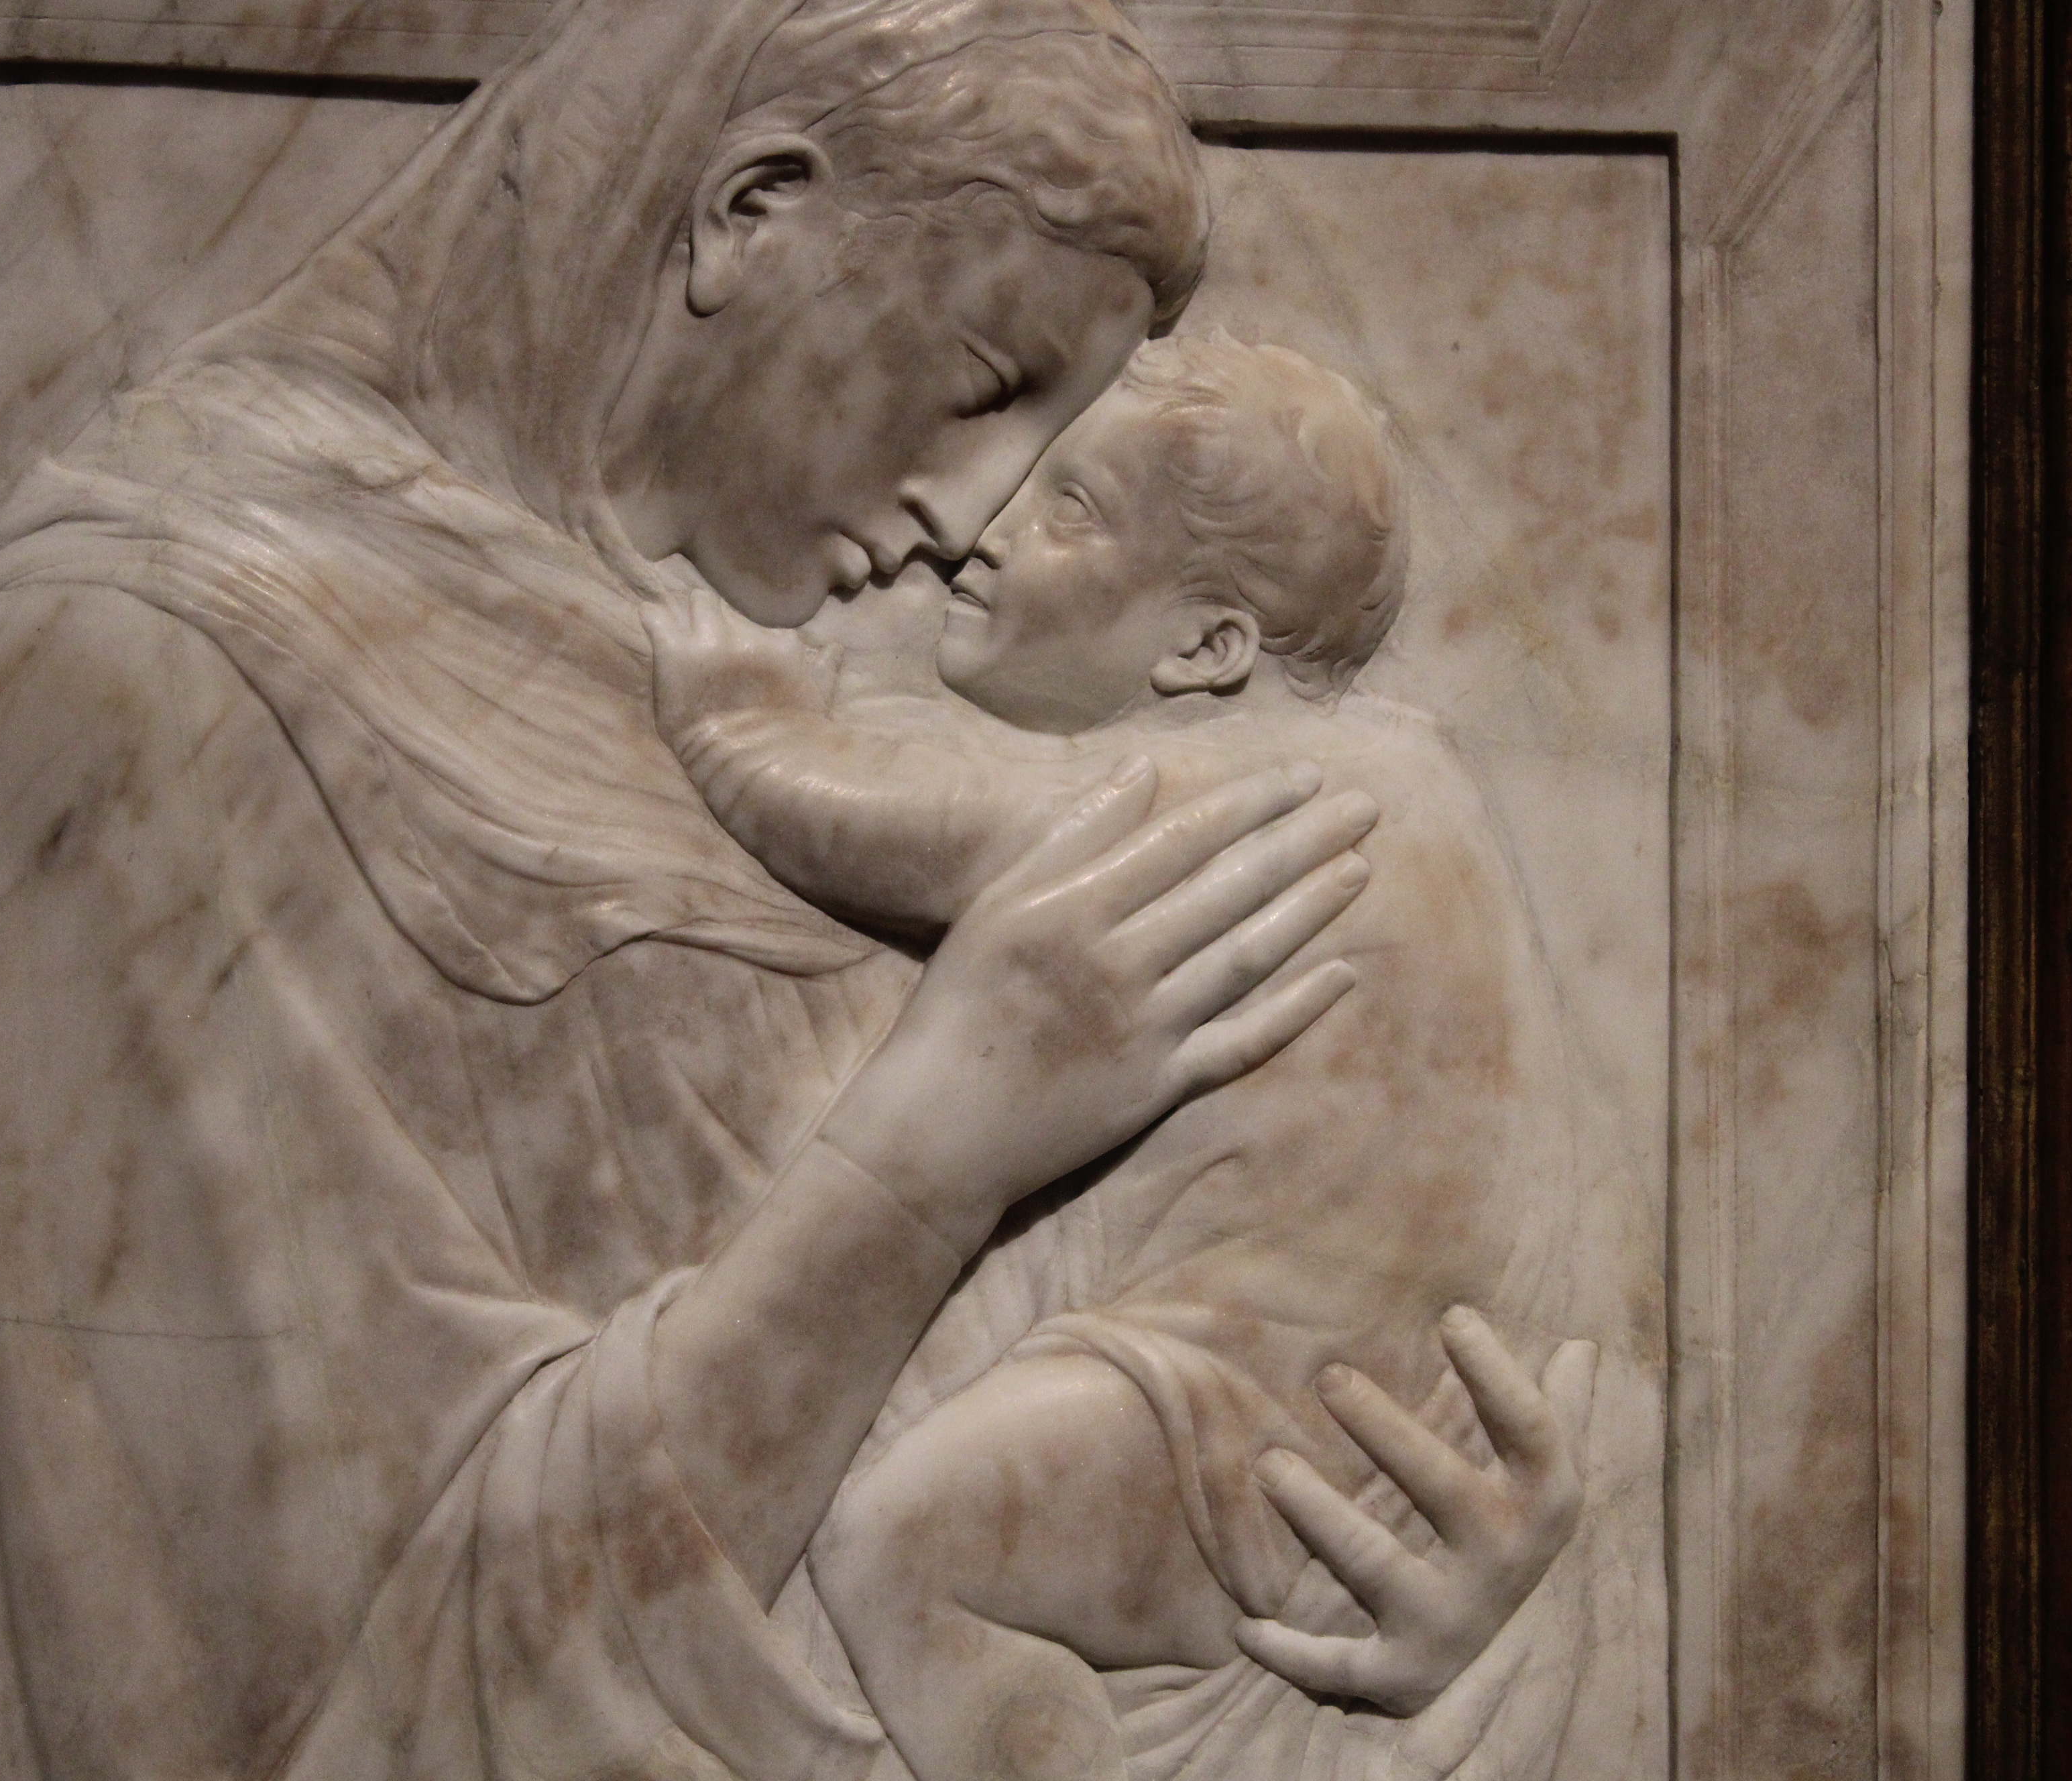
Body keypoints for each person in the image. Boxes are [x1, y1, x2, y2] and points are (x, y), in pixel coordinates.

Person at [0, 5, 1591, 1778]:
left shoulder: (769, 695)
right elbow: (278, 1668)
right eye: (987, 382)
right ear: (752, 212)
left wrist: (1363, 1577)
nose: (976, 515)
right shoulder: (142, 674)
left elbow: (1237, 1290)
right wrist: (933, 1145)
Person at [646, 333, 1601, 1781]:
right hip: (1382, 1398)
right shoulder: (1416, 775)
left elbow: (885, 825)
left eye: (1072, 508)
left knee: (908, 1545)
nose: (989, 523)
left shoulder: (1230, 793)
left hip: (1258, 1401)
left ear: (1206, 650)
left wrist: (730, 722)